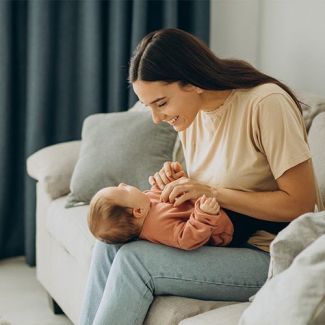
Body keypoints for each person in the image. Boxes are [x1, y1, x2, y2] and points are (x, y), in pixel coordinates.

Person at [79, 28, 323, 325]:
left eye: (161, 103)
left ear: (192, 83)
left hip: (268, 252)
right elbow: (207, 191)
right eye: (149, 107)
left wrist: (211, 192)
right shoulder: (192, 118)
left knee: (134, 262)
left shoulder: (265, 103)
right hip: (221, 240)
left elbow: (300, 205)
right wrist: (178, 181)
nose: (157, 118)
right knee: (109, 245)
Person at [88, 181, 234, 250]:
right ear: (138, 212)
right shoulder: (158, 227)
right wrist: (205, 215)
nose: (122, 184)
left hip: (211, 202)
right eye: (123, 190)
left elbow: (163, 195)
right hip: (225, 226)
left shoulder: (145, 203)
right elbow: (187, 238)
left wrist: (167, 180)